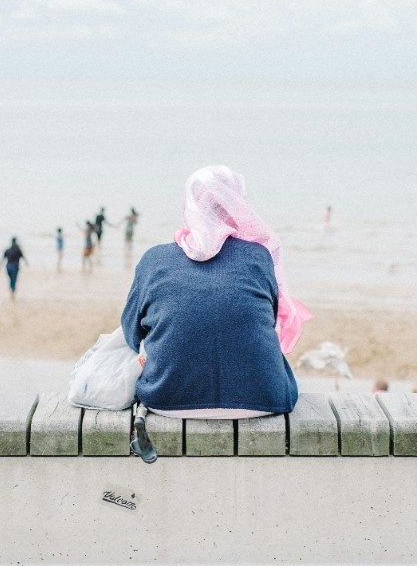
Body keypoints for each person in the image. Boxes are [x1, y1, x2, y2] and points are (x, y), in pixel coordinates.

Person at [122, 165, 310, 463]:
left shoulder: (154, 260)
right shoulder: (258, 257)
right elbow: (266, 321)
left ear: (189, 204)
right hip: (265, 398)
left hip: (167, 398)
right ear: (237, 203)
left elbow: (131, 334)